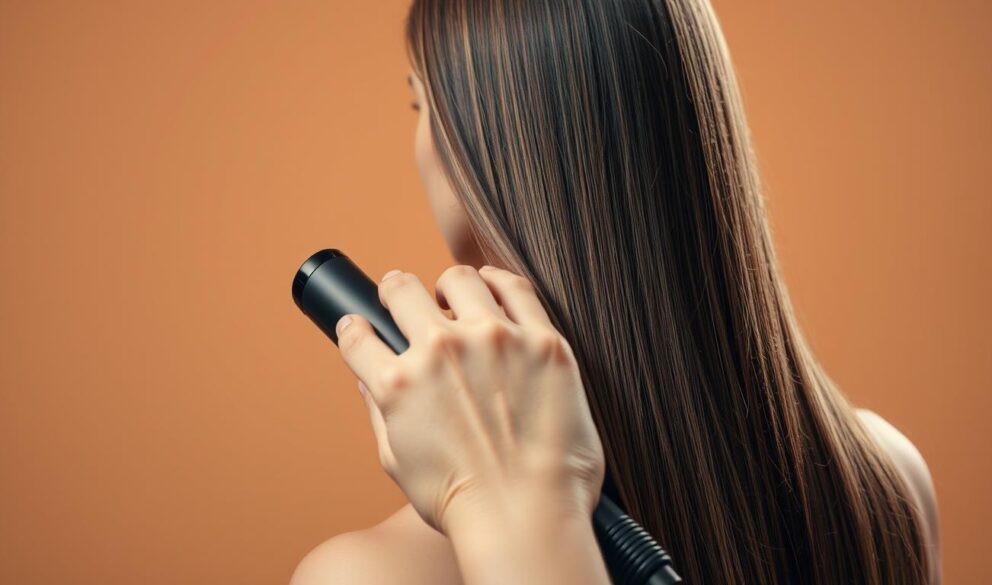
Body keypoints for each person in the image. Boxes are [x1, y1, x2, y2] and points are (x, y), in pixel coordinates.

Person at [291, 0, 941, 583]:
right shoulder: (886, 482)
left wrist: (499, 505)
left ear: (480, 155)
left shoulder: (372, 574)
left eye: (421, 103)